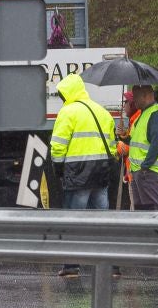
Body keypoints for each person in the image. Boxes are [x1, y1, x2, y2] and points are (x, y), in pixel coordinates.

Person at [49, 73, 115, 278]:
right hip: (101, 172)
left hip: (78, 174)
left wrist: (59, 170)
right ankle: (109, 265)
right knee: (102, 221)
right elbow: (112, 147)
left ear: (67, 92)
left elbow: (58, 147)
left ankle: (71, 266)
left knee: (73, 220)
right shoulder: (102, 111)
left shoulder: (68, 112)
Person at [126, 84, 158, 210]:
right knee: (143, 212)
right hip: (140, 172)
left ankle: (156, 230)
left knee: (152, 211)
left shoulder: (156, 115)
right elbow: (134, 139)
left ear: (145, 96)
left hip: (147, 172)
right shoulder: (144, 113)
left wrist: (145, 166)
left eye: (136, 97)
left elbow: (157, 144)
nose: (134, 100)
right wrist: (124, 136)